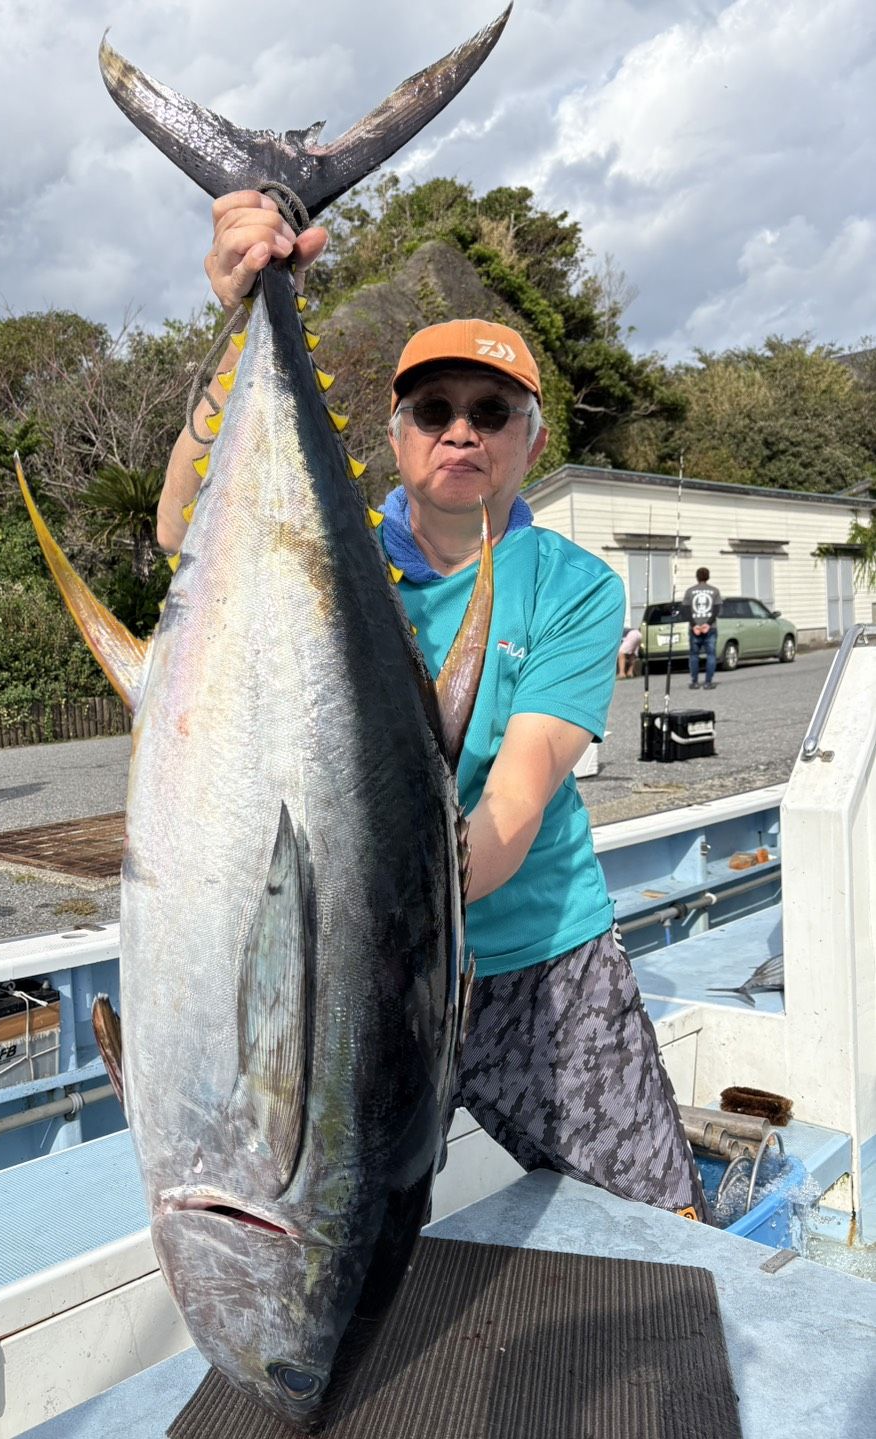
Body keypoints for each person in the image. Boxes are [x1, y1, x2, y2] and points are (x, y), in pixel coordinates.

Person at [156, 191, 710, 1223]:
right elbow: (185, 531)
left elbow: (517, 798)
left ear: (531, 440)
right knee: (354, 1231)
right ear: (397, 433)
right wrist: (242, 316)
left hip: (539, 961)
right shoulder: (326, 559)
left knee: (656, 1216)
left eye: (491, 412)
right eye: (433, 410)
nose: (461, 430)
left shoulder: (575, 587)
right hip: (350, 974)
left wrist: (395, 908)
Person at [684, 567, 723, 690]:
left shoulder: (689, 591)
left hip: (694, 628)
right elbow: (717, 609)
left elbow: (685, 610)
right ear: (708, 577)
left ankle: (694, 682)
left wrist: (694, 625)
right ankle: (708, 682)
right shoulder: (715, 591)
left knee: (694, 655)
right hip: (710, 628)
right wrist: (708, 624)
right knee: (711, 655)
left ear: (697, 577)